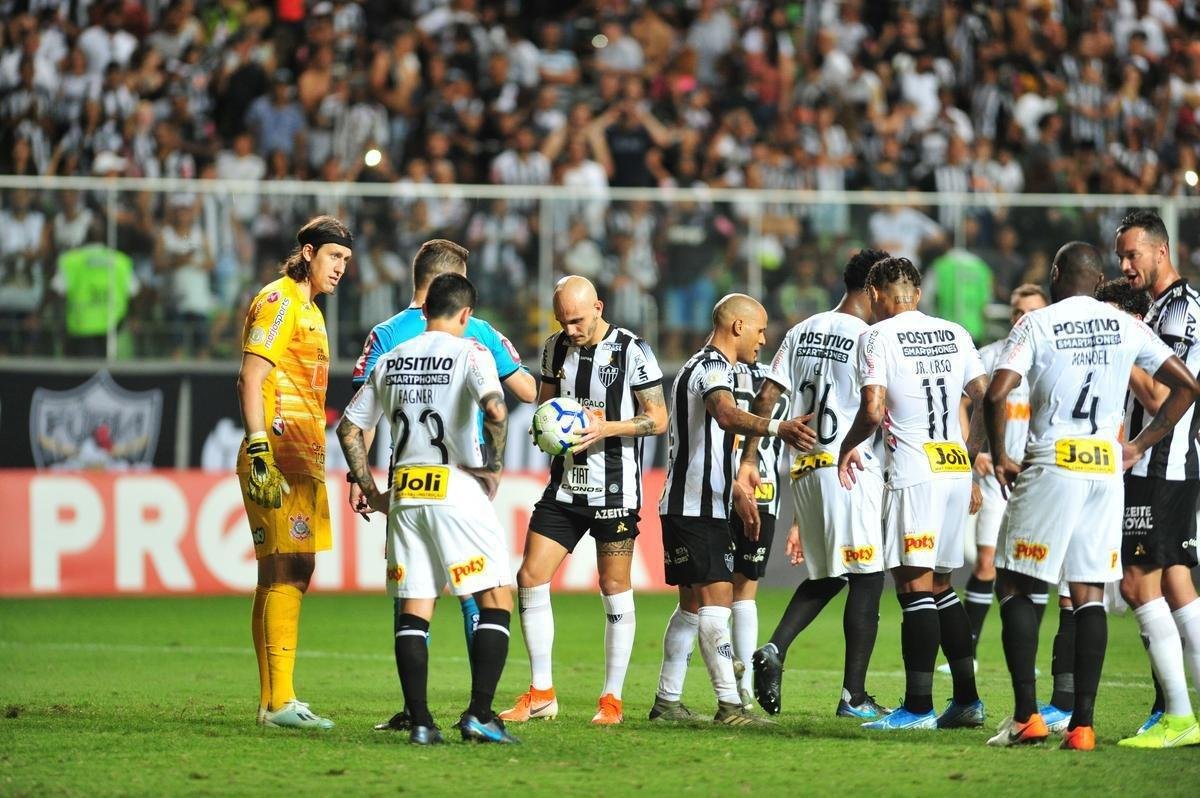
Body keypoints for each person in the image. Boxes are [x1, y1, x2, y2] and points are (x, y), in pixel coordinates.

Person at [983, 241, 1200, 751]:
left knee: (1015, 584)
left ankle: (1026, 718)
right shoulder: (1125, 323)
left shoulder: (1038, 323)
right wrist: (1139, 445)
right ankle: (1082, 726)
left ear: (1057, 273)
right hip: (1105, 469)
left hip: (1053, 462)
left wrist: (999, 454)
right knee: (1089, 594)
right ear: (1098, 276)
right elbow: (1188, 385)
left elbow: (997, 392)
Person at [349, 238, 535, 733]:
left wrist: (367, 486)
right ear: (463, 310)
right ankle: (480, 713)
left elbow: (351, 426)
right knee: (492, 594)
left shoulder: (391, 346)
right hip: (457, 485)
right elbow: (505, 405)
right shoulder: (475, 345)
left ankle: (420, 719)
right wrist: (493, 467)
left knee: (414, 603)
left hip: (405, 487)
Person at [499, 276, 668, 726]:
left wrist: (606, 427)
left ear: (598, 306)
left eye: (576, 320)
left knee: (613, 587)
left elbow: (658, 419)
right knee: (530, 575)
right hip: (566, 487)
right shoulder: (554, 348)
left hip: (615, 490)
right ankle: (541, 692)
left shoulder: (634, 350)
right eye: (562, 321)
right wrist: (546, 431)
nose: (570, 329)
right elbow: (547, 405)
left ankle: (611, 700)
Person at [836, 256, 988, 731]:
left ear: (877, 294)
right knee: (942, 586)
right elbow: (987, 396)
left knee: (912, 585)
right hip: (954, 467)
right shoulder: (957, 332)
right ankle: (966, 702)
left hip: (914, 470)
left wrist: (847, 445)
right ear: (917, 294)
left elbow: (875, 407)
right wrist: (972, 450)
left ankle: (918, 707)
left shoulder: (876, 337)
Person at [740, 248, 892, 720]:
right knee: (868, 579)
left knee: (831, 574)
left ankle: (775, 648)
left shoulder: (801, 331)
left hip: (803, 468)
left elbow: (767, 396)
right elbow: (874, 407)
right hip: (849, 465)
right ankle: (854, 696)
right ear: (873, 289)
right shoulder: (871, 338)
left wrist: (750, 457)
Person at [651, 294, 815, 726]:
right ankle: (730, 705)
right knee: (716, 605)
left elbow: (711, 440)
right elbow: (725, 415)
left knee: (690, 607)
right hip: (695, 508)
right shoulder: (711, 367)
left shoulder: (703, 365)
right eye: (760, 329)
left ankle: (666, 701)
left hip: (695, 503)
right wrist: (778, 426)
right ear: (738, 327)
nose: (764, 338)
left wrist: (737, 493)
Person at [236, 214, 352, 729]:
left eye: (346, 260)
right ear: (307, 252)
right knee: (291, 570)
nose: (340, 268)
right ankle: (280, 703)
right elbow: (252, 374)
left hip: (302, 456)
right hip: (280, 455)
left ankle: (271, 703)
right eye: (333, 257)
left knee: (280, 573)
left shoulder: (311, 310)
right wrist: (260, 448)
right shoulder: (282, 301)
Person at [1114, 210, 1200, 748]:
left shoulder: (1178, 311)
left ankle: (1178, 716)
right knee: (1176, 584)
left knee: (1136, 583)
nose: (1125, 266)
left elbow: (1162, 395)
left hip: (1161, 464)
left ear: (1159, 251)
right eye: (1121, 256)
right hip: (1167, 463)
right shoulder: (1169, 307)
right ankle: (1182, 715)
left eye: (1132, 255)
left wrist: (1119, 344)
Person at [960, 285, 1049, 674]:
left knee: (1037, 563)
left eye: (1029, 311)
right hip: (996, 474)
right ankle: (970, 651)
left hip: (1037, 473)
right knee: (985, 562)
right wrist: (973, 450)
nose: (1020, 318)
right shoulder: (990, 356)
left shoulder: (1052, 352)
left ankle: (1028, 654)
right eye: (1015, 311)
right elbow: (963, 403)